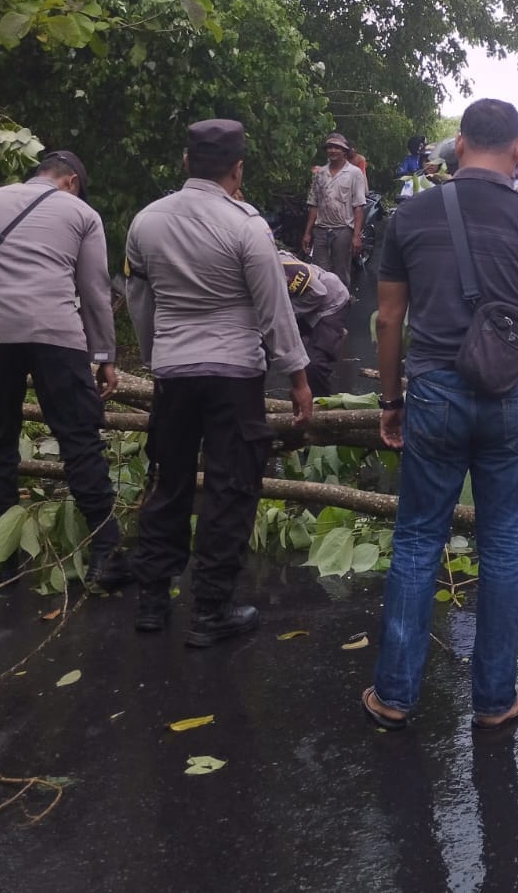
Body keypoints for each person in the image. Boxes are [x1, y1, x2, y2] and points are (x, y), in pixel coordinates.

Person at [363, 98, 518, 731]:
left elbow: (390, 319)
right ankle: (494, 701)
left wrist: (392, 400)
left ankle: (394, 697)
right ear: (517, 152)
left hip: (433, 392)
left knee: (419, 538)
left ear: (458, 145)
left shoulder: (411, 215)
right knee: (505, 541)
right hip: (509, 399)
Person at [125, 120, 314, 643]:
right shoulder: (247, 226)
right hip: (233, 375)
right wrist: (297, 379)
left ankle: (151, 600)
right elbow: (275, 310)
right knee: (230, 490)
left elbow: (138, 299)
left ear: (186, 164)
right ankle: (209, 611)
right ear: (237, 169)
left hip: (174, 373)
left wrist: (153, 354)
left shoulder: (146, 222)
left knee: (169, 483)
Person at [0, 150, 128, 589]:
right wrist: (104, 357)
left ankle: (3, 560)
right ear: (71, 182)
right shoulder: (82, 213)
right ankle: (104, 549)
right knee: (79, 438)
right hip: (56, 336)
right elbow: (95, 292)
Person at [279, 249, 350, 397]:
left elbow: (319, 292)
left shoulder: (282, 267)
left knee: (314, 365)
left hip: (330, 302)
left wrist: (287, 313)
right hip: (304, 306)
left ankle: (321, 406)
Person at [302, 132, 368, 290]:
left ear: (345, 150)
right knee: (319, 273)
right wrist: (307, 233)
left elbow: (358, 206)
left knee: (341, 272)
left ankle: (342, 304)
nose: (332, 150)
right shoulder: (320, 174)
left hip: (343, 230)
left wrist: (356, 236)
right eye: (329, 147)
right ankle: (323, 307)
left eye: (337, 147)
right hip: (321, 229)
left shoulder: (354, 173)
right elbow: (314, 204)